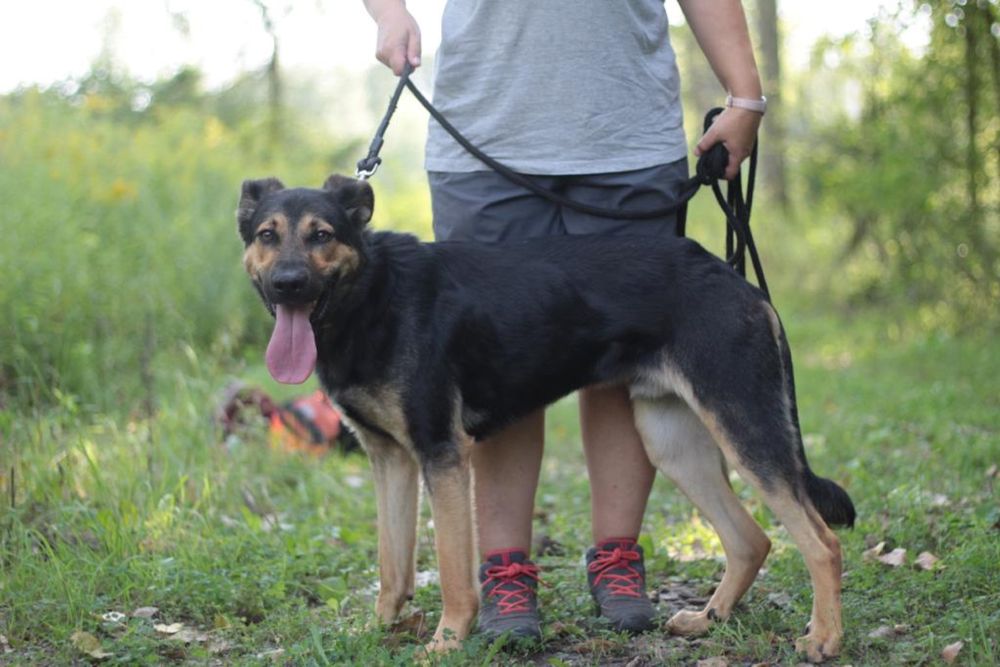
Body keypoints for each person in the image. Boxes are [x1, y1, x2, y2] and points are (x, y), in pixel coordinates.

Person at [362, 0, 764, 642]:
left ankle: (617, 557)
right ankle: (504, 571)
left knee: (626, 360)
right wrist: (388, 13)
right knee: (491, 365)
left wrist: (746, 95)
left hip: (626, 135)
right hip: (483, 139)